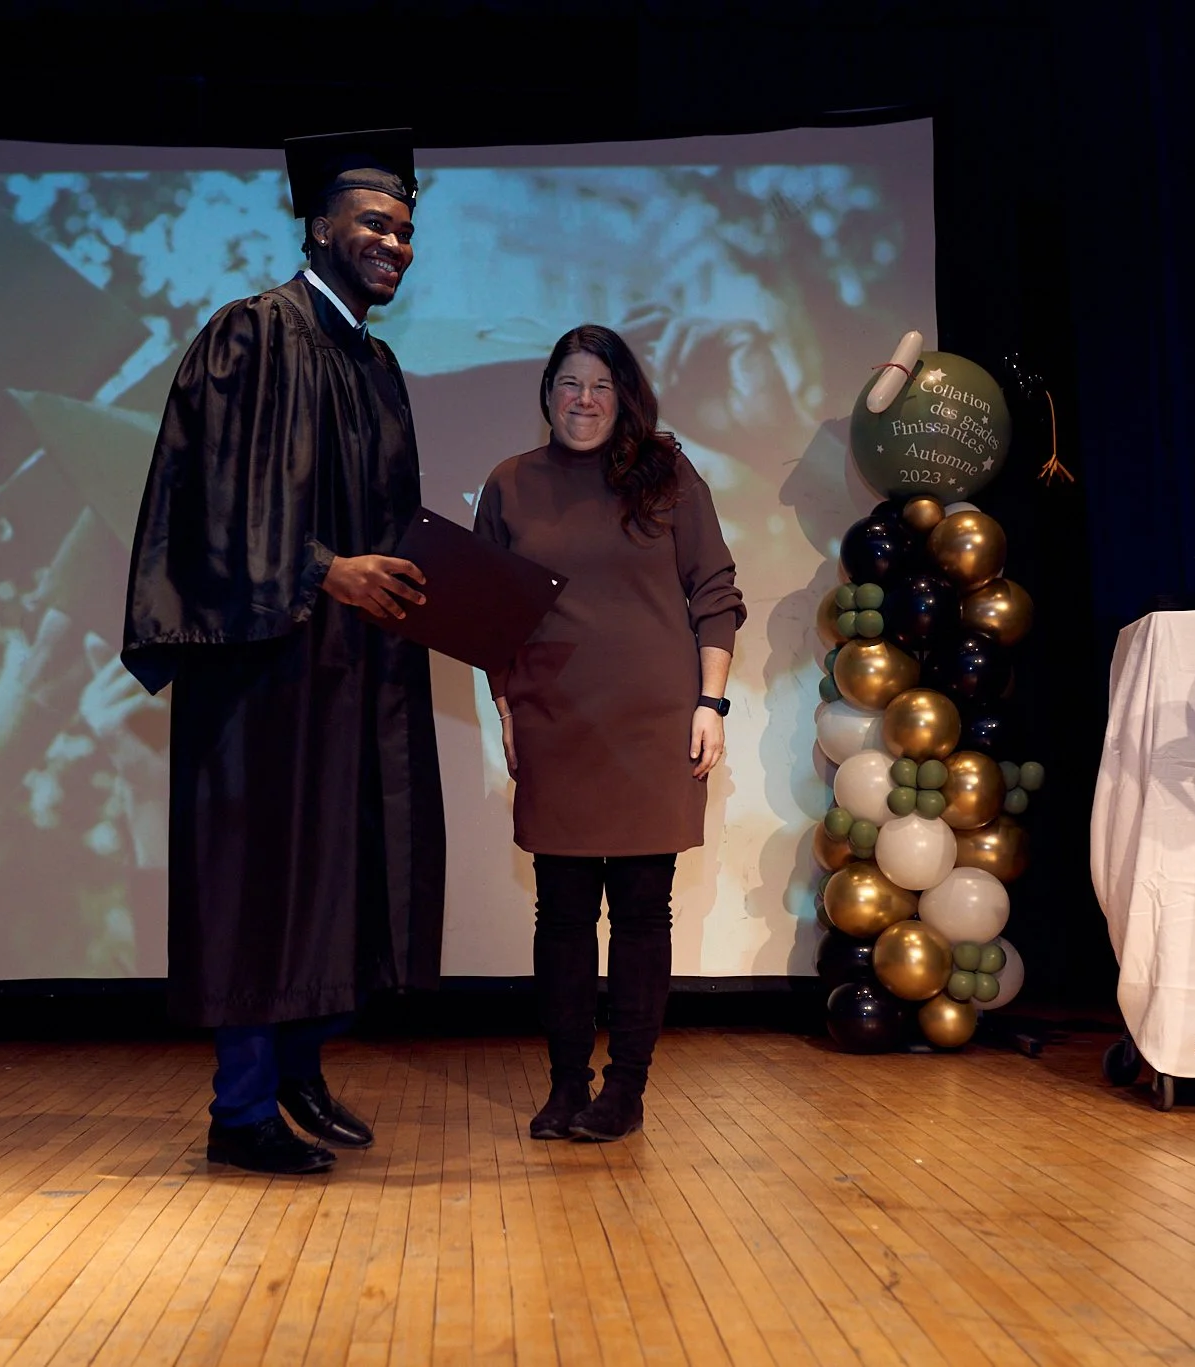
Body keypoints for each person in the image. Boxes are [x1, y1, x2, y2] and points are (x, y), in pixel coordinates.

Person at [120, 129, 446, 1176]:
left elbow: (387, 523)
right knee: (264, 876)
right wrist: (324, 572)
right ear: (320, 225)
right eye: (373, 223)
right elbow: (215, 506)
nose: (392, 241)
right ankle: (240, 1110)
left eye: (403, 227)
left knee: (340, 870)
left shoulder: (373, 362)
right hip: (263, 669)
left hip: (353, 670)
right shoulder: (251, 337)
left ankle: (300, 1071)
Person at [471, 324, 746, 1142]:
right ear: (547, 394)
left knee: (640, 910)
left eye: (600, 385)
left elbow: (716, 591)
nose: (583, 400)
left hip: (653, 722)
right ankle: (565, 1086)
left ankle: (624, 1089)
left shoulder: (667, 476)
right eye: (568, 384)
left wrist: (713, 702)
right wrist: (507, 710)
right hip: (554, 724)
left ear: (623, 396)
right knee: (558, 914)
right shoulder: (509, 485)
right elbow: (488, 616)